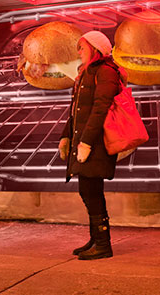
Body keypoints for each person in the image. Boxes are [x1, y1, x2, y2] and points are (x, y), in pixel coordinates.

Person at [58, 30, 121, 260]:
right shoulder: (86, 73)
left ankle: (103, 245)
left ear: (95, 49)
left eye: (82, 47)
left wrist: (85, 142)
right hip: (84, 141)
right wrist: (66, 136)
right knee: (90, 191)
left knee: (90, 192)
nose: (78, 52)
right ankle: (96, 239)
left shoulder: (106, 72)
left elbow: (100, 109)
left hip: (96, 143)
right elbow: (76, 111)